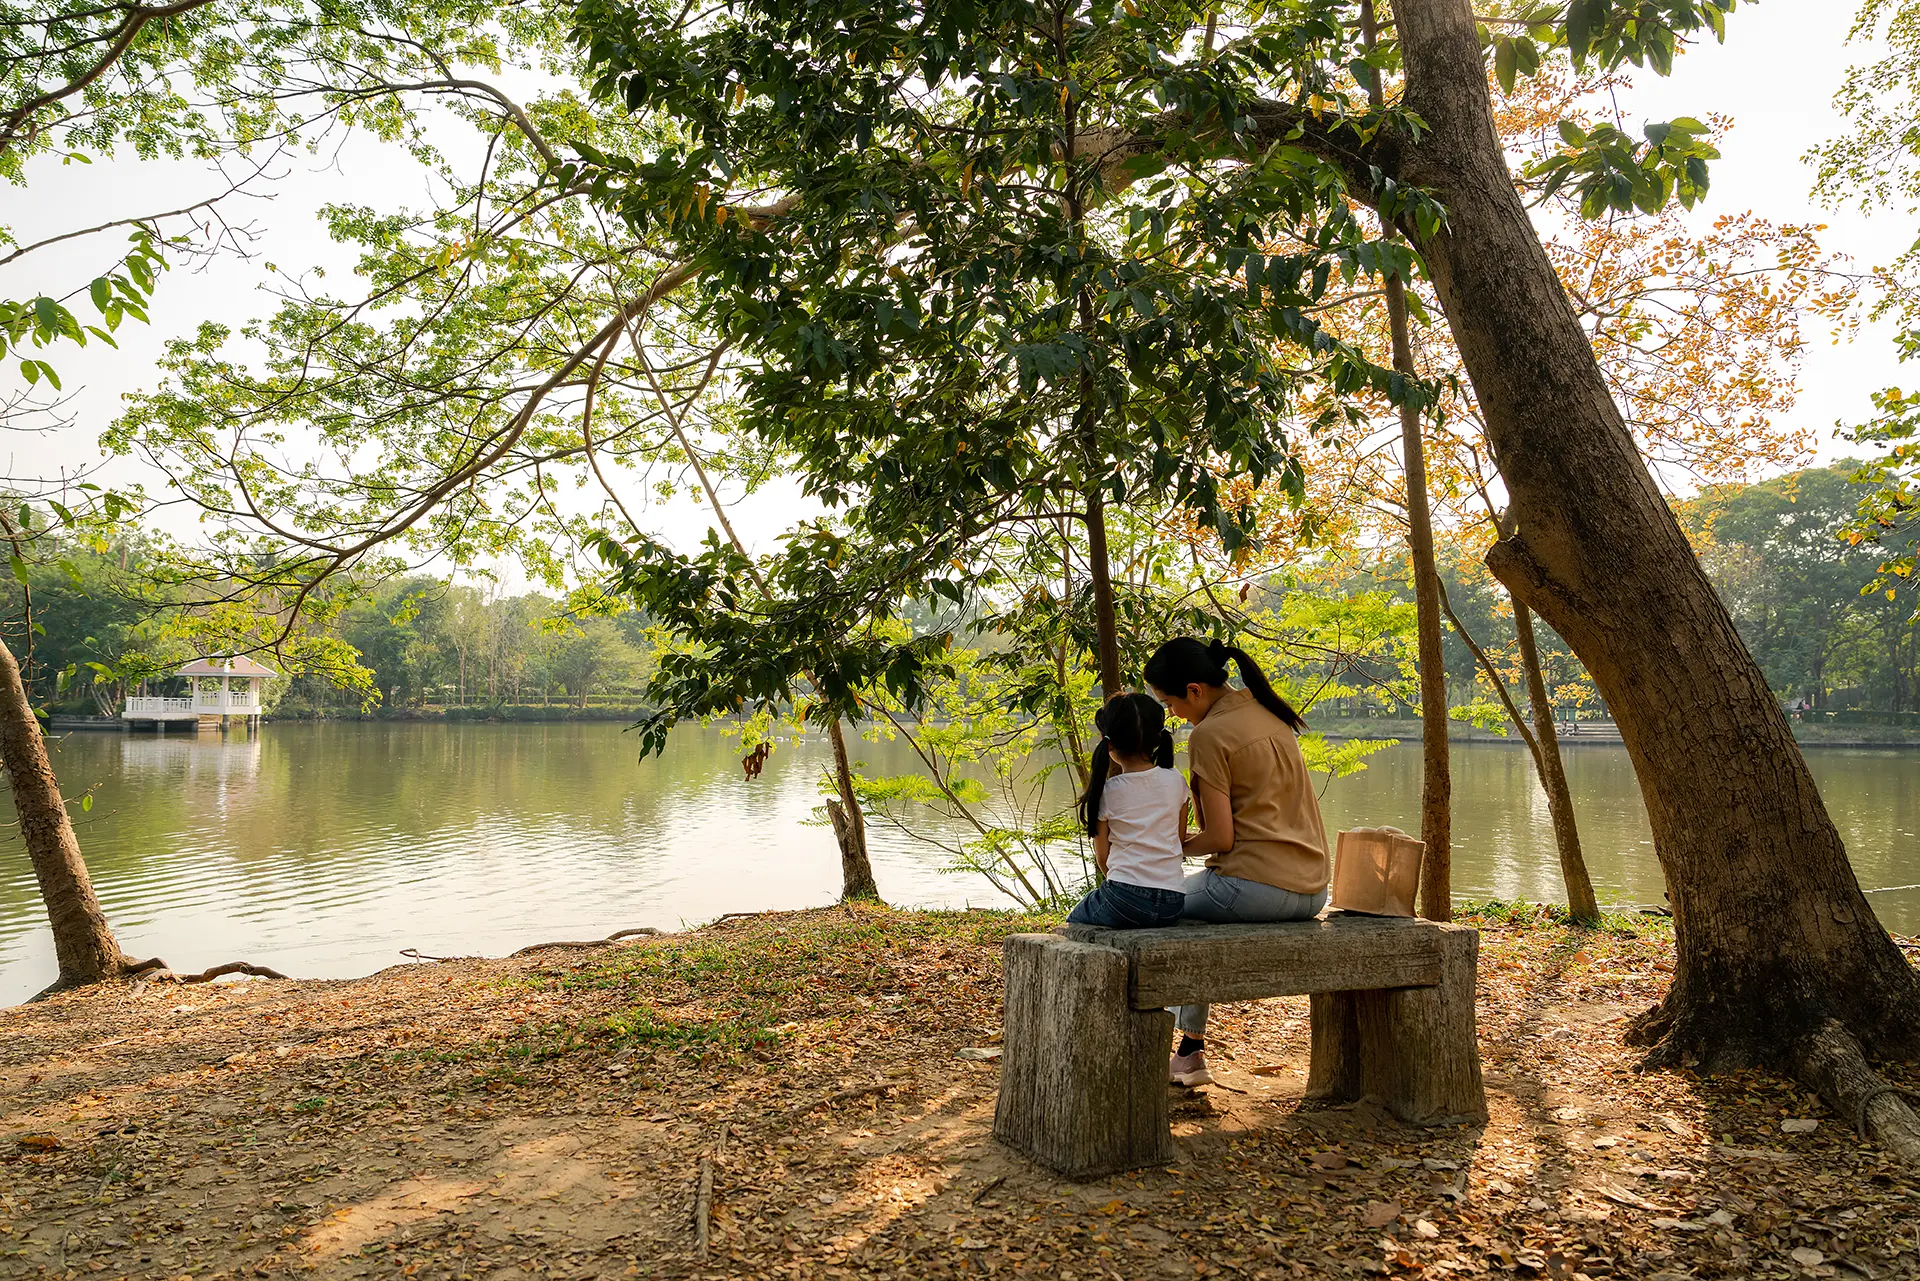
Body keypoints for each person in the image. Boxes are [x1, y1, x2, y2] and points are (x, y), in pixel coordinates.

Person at [1144, 636, 1331, 1087]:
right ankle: (1189, 1052)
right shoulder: (1269, 714)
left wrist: (1168, 847)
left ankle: (1154, 1050)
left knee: (1151, 905)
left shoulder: (1210, 735)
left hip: (1254, 888)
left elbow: (1220, 839)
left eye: (1168, 702)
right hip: (1311, 889)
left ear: (1195, 690)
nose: (1170, 714)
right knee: (1188, 910)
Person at [1065, 693, 1191, 930]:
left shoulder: (1108, 791)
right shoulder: (1176, 781)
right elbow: (1179, 839)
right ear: (1157, 738)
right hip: (1173, 903)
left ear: (1108, 743)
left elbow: (1103, 859)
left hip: (1124, 897)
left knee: (1074, 922)